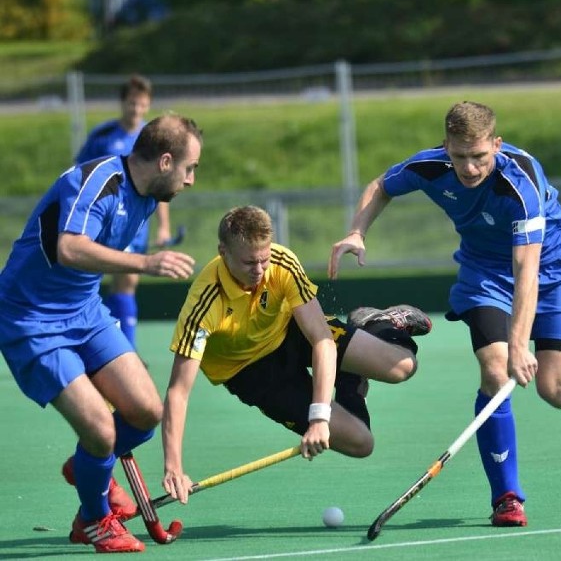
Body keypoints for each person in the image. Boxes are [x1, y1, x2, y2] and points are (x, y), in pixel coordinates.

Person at [328, 101, 561, 528]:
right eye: (460, 157)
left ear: (496, 144)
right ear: (446, 147)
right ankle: (507, 497)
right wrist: (356, 230)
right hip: (484, 274)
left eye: (479, 157)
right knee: (496, 375)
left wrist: (519, 344)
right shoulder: (432, 166)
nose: (470, 168)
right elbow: (382, 185)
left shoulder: (520, 182)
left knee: (554, 388)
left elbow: (526, 271)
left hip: (548, 269)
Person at [0, 113, 203, 553]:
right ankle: (93, 519)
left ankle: (87, 466)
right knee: (100, 430)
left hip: (86, 312)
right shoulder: (96, 181)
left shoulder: (149, 196)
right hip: (31, 319)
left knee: (147, 411)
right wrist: (146, 263)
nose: (191, 181)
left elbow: (98, 261)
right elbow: (69, 248)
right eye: (190, 168)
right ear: (166, 161)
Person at [160, 205, 432, 505]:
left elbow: (321, 341)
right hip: (251, 373)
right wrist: (174, 467)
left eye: (264, 260)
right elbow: (178, 392)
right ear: (223, 252)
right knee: (361, 443)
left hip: (292, 331)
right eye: (249, 262)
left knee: (403, 366)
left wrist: (319, 417)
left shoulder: (282, 261)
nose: (260, 270)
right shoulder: (204, 304)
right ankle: (348, 376)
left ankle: (376, 324)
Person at [76, 73, 171, 349]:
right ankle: (96, 342)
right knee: (87, 282)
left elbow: (161, 188)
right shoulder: (103, 137)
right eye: (132, 103)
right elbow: (79, 176)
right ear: (122, 103)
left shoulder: (152, 140)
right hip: (99, 221)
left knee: (127, 281)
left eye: (142, 104)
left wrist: (163, 226)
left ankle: (127, 351)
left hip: (134, 224)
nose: (136, 110)